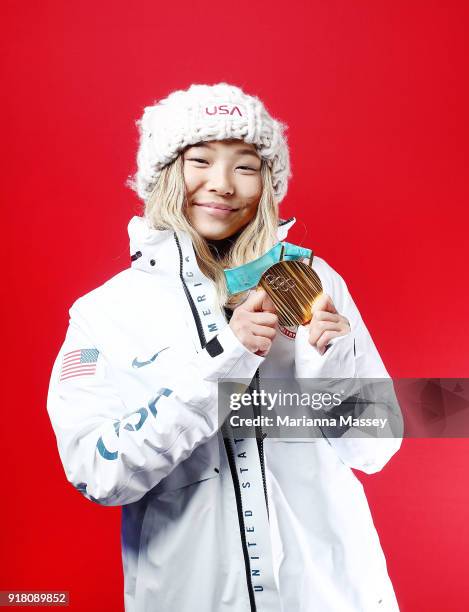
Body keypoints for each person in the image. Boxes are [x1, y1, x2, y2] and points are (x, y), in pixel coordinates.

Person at [47, 82, 403, 612]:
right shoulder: (105, 314)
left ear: (266, 183)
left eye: (245, 166)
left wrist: (327, 366)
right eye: (200, 160)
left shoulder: (312, 277)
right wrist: (223, 363)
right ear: (164, 172)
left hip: (332, 596)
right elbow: (100, 474)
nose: (223, 185)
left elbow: (376, 449)